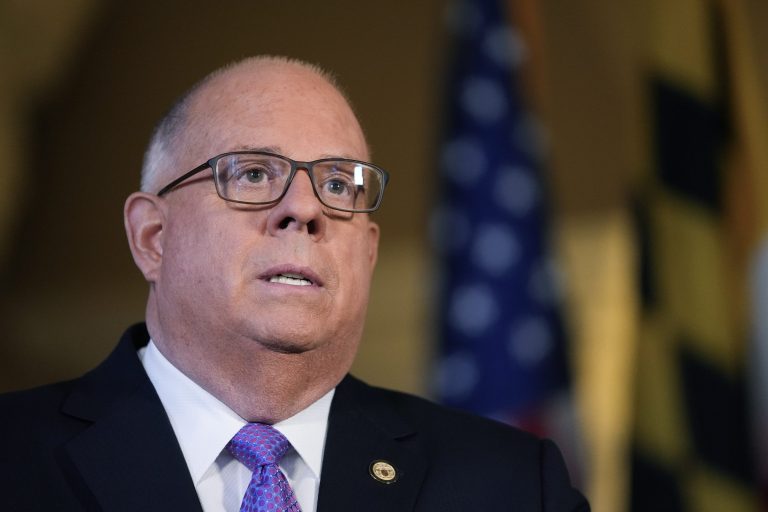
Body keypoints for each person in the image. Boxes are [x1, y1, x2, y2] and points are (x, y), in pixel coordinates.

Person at [0, 56, 589, 511]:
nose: (305, 209)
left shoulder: (511, 486)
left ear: (369, 252)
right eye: (254, 173)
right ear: (153, 237)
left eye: (339, 185)